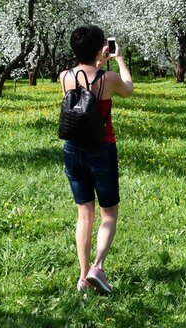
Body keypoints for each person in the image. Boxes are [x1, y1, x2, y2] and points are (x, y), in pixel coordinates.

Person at [60, 25, 134, 295]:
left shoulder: (64, 77)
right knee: (109, 213)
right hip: (102, 148)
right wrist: (119, 59)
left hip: (73, 150)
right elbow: (129, 89)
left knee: (84, 214)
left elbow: (82, 90)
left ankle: (82, 277)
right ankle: (97, 268)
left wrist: (96, 59)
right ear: (101, 48)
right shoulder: (109, 79)